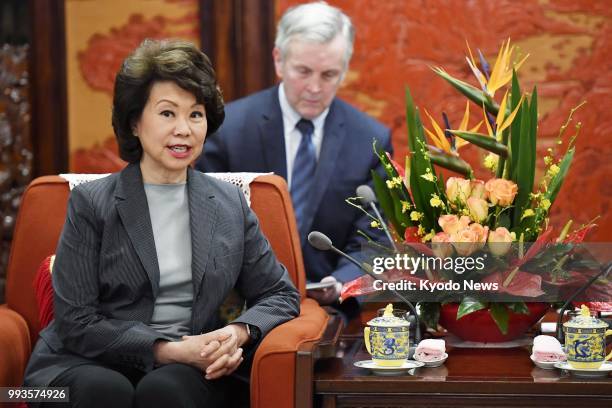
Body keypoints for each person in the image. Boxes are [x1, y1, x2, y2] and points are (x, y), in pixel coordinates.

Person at [23, 39, 300, 408]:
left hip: (190, 368)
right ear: (135, 122)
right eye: (167, 113)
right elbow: (76, 322)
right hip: (83, 364)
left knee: (166, 391)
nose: (184, 129)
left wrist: (237, 333)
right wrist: (168, 350)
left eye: (196, 114)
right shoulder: (92, 203)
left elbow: (280, 294)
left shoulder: (229, 203)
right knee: (106, 393)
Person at [197, 1, 392, 315]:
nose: (314, 88)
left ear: (344, 69)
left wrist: (341, 283)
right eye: (303, 71)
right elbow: (206, 231)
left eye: (329, 74)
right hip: (241, 307)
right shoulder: (228, 131)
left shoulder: (370, 141)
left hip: (330, 312)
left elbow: (372, 241)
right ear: (279, 60)